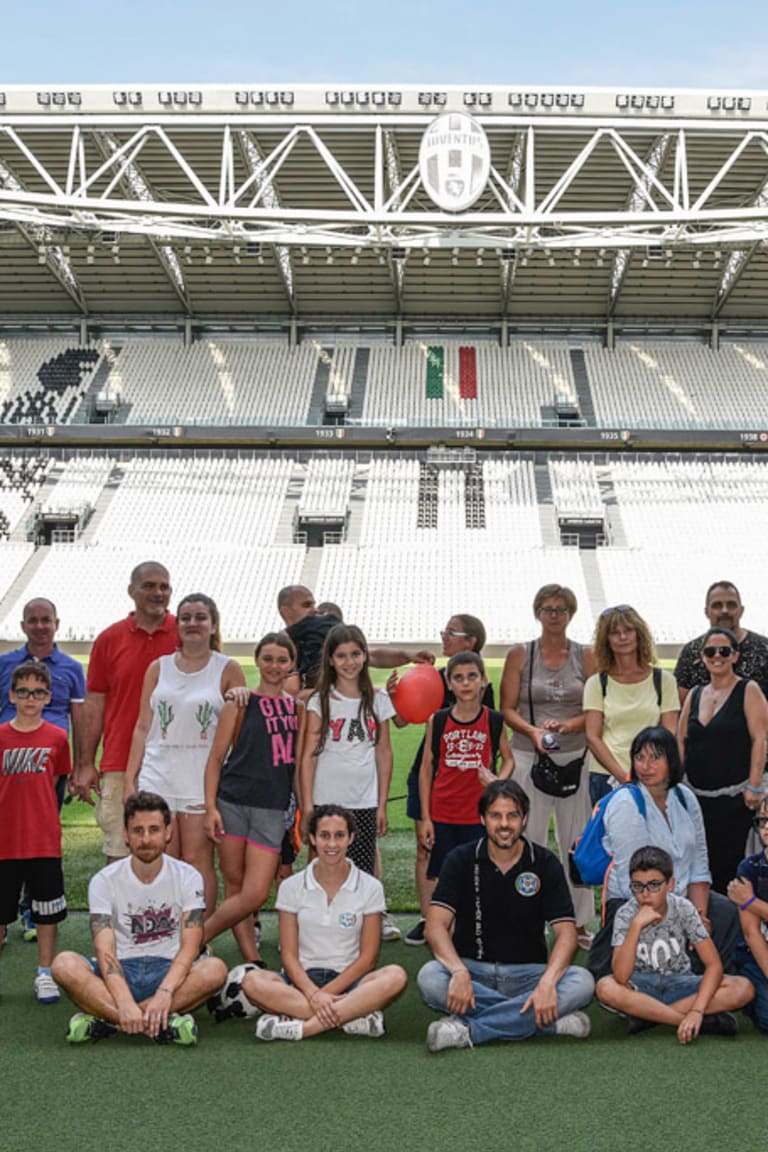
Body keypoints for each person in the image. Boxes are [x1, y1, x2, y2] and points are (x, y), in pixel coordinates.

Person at [417, 778, 595, 1050]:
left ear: (524, 819)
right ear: (482, 819)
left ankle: (470, 1029)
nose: (504, 824)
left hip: (529, 975)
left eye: (512, 816)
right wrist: (458, 972)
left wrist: (547, 983)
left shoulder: (544, 862)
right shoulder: (460, 858)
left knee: (582, 982)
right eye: (495, 816)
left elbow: (567, 934)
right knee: (430, 977)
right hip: (472, 971)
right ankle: (546, 1023)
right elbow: (434, 926)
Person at [51, 790, 226, 1045]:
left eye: (154, 830)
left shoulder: (188, 876)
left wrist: (165, 992)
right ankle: (154, 1022)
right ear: (125, 834)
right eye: (138, 831)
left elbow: (191, 946)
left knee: (215, 969)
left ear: (168, 832)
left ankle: (110, 1020)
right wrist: (122, 1000)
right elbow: (105, 949)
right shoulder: (103, 880)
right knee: (63, 965)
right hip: (121, 970)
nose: (146, 839)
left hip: (169, 969)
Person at [240, 805, 407, 1040]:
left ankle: (302, 1027)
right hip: (301, 981)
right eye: (324, 836)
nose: (331, 844)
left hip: (350, 982)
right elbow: (288, 955)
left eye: (339, 836)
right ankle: (350, 1016)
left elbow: (368, 958)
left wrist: (323, 995)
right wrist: (312, 993)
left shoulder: (370, 887)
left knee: (395, 976)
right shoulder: (291, 887)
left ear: (351, 838)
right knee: (252, 981)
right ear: (312, 838)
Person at [123, 593, 245, 916]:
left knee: (196, 860)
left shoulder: (228, 669)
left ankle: (197, 936)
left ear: (213, 624)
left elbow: (238, 735)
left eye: (200, 617)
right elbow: (142, 727)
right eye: (186, 617)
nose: (193, 623)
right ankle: (165, 933)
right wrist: (128, 780)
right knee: (162, 860)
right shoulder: (158, 668)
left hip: (199, 780)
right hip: (157, 775)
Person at [587, 726, 741, 980]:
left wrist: (699, 915)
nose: (646, 766)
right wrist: (682, 915)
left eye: (655, 757)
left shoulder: (685, 797)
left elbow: (699, 863)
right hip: (637, 898)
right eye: (640, 757)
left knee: (725, 913)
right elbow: (633, 882)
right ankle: (653, 992)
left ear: (671, 760)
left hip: (680, 894)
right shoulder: (626, 802)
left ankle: (697, 979)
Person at [500, 583, 596, 948]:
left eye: (561, 609)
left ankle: (581, 921)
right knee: (529, 838)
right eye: (548, 609)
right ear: (537, 612)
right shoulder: (520, 654)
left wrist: (568, 727)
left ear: (570, 614)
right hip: (529, 755)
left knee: (577, 840)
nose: (554, 615)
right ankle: (527, 914)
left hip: (575, 757)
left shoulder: (585, 656)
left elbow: (595, 710)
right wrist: (534, 732)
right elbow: (507, 708)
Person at [395, 613, 493, 947]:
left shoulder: (486, 688)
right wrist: (398, 691)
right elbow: (401, 720)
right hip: (430, 778)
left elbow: (497, 738)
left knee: (476, 855)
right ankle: (428, 919)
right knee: (427, 848)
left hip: (471, 790)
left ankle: (468, 919)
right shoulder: (436, 678)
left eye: (451, 632)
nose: (444, 637)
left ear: (471, 642)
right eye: (444, 631)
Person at [203, 631, 300, 964]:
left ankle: (195, 939)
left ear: (292, 664)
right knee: (235, 884)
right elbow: (216, 759)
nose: (274, 666)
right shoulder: (240, 702)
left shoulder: (298, 708)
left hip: (271, 808)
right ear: (257, 660)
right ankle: (252, 960)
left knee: (256, 892)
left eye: (282, 660)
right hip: (232, 802)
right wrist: (211, 807)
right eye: (268, 658)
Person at [73, 561, 178, 863]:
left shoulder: (184, 636)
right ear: (131, 591)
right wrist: (85, 763)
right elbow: (94, 704)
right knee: (119, 852)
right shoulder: (110, 639)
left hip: (172, 761)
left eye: (164, 587)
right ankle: (115, 913)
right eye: (149, 586)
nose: (158, 593)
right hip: (120, 760)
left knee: (171, 856)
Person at [596, 846, 753, 1040]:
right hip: (639, 988)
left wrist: (696, 1009)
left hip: (681, 985)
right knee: (605, 987)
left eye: (654, 885)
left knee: (743, 988)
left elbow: (714, 965)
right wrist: (635, 926)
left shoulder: (684, 908)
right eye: (637, 886)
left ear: (671, 884)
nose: (645, 894)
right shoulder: (626, 913)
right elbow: (621, 977)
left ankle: (649, 1017)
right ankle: (687, 1021)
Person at [0, 596, 85, 942]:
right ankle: (6, 914)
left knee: (40, 832)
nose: (39, 626)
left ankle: (34, 910)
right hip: (9, 761)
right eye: (32, 620)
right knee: (8, 835)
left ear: (56, 623)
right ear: (22, 626)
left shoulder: (71, 667)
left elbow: (79, 718)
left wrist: (82, 765)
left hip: (49, 761)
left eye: (45, 620)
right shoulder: (5, 664)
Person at [299, 624, 393, 878]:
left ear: (365, 656)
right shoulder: (320, 700)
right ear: (330, 659)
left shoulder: (379, 700)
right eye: (341, 655)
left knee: (362, 871)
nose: (349, 662)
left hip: (364, 799)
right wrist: (307, 806)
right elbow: (309, 756)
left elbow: (384, 753)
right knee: (323, 867)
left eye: (355, 654)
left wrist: (381, 804)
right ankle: (319, 917)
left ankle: (370, 916)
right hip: (326, 797)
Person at [418, 650, 513, 904]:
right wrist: (426, 818)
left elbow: (509, 759)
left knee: (480, 874)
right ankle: (444, 932)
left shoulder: (493, 720)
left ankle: (476, 932)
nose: (466, 683)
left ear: (483, 679)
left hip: (479, 815)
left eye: (472, 676)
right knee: (445, 877)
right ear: (449, 683)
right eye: (458, 678)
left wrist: (498, 781)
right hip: (443, 813)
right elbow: (426, 769)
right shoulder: (437, 720)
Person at [0, 661, 70, 1003]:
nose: (30, 698)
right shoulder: (0, 737)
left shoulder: (57, 738)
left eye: (38, 692)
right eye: (24, 692)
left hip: (43, 840)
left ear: (48, 697)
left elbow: (55, 781)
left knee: (46, 911)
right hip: (4, 841)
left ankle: (45, 971)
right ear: (12, 695)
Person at [679, 627, 768, 895]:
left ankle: (735, 929)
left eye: (724, 651)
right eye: (710, 651)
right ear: (702, 657)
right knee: (699, 866)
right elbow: (680, 739)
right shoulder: (694, 694)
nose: (717, 656)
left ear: (735, 655)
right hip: (696, 798)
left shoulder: (748, 690)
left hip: (735, 799)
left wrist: (754, 786)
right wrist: (674, 786)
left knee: (730, 866)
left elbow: (761, 738)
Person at [584, 604, 679, 803]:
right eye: (614, 633)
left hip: (653, 776)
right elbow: (593, 737)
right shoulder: (596, 684)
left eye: (628, 630)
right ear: (606, 640)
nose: (622, 637)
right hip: (607, 776)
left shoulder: (664, 681)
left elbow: (669, 733)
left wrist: (649, 771)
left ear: (639, 634)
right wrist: (624, 777)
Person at [277, 584, 434, 692]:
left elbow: (370, 655)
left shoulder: (324, 628)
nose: (314, 610)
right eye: (307, 605)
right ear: (286, 612)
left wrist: (408, 656)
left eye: (314, 604)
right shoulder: (276, 649)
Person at [675, 580, 768, 703]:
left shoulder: (764, 649)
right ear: (706, 612)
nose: (724, 610)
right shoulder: (691, 652)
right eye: (717, 605)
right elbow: (678, 705)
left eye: (731, 605)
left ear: (741, 610)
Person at [728, 796, 768, 1032]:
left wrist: (752, 902)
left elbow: (750, 905)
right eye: (762, 821)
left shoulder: (749, 893)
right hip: (758, 955)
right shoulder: (749, 868)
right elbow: (751, 932)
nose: (766, 828)